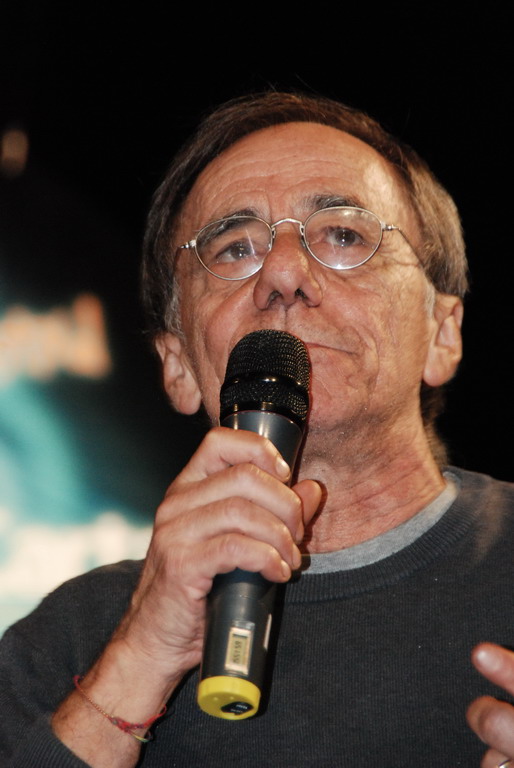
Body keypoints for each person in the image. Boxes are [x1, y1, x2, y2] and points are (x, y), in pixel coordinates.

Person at [1, 91, 514, 768]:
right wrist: (140, 660)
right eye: (235, 247)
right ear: (178, 366)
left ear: (442, 334)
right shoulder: (70, 639)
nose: (284, 272)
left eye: (344, 235)